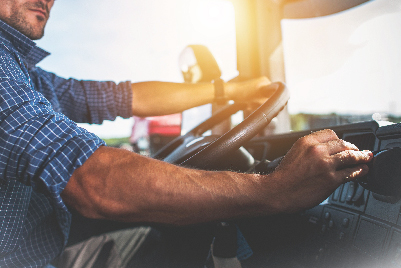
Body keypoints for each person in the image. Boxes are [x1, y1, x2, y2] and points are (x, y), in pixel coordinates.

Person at [0, 0, 373, 267]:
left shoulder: (28, 74)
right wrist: (274, 189)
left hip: (44, 251)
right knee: (188, 228)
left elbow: (117, 96)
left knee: (175, 231)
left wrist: (228, 91)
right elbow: (90, 179)